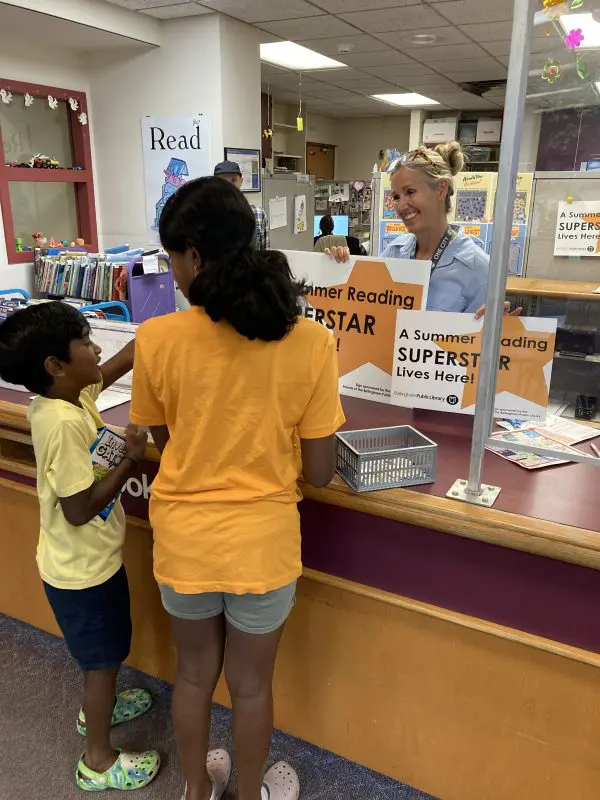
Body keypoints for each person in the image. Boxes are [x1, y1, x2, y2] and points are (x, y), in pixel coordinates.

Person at [129, 176, 345, 800]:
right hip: (263, 547)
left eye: (172, 257)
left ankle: (198, 790)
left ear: (194, 254)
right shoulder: (310, 340)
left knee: (193, 678)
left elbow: (168, 443)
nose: (171, 272)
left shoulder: (157, 340)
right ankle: (250, 794)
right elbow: (321, 470)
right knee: (252, 687)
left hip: (185, 544)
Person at [0, 302, 160, 792]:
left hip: (83, 563)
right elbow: (79, 508)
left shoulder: (65, 396)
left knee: (104, 655)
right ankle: (98, 759)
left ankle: (102, 706)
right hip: (82, 573)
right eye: (87, 343)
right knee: (101, 661)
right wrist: (131, 462)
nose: (97, 349)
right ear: (56, 365)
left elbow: (116, 365)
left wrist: (157, 335)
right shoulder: (64, 424)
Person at [329, 142, 520, 317]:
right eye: (396, 196)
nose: (401, 206)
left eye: (410, 192)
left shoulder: (479, 269)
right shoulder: (393, 253)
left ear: (441, 189)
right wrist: (339, 269)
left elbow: (474, 348)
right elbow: (363, 313)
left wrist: (496, 337)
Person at [214, 160, 269, 250]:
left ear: (241, 181)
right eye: (223, 181)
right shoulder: (207, 215)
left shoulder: (258, 213)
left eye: (233, 180)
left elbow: (264, 252)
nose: (229, 185)